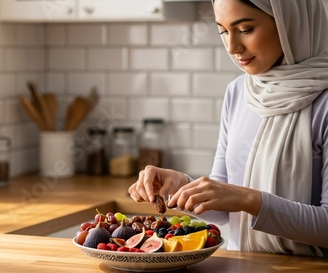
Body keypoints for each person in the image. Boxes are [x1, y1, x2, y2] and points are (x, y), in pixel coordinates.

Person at [128, 0, 328, 257]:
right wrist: (179, 187)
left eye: (245, 29)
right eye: (223, 31)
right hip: (242, 265)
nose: (232, 47)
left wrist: (250, 200)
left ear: (290, 22)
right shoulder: (238, 92)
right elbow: (223, 207)